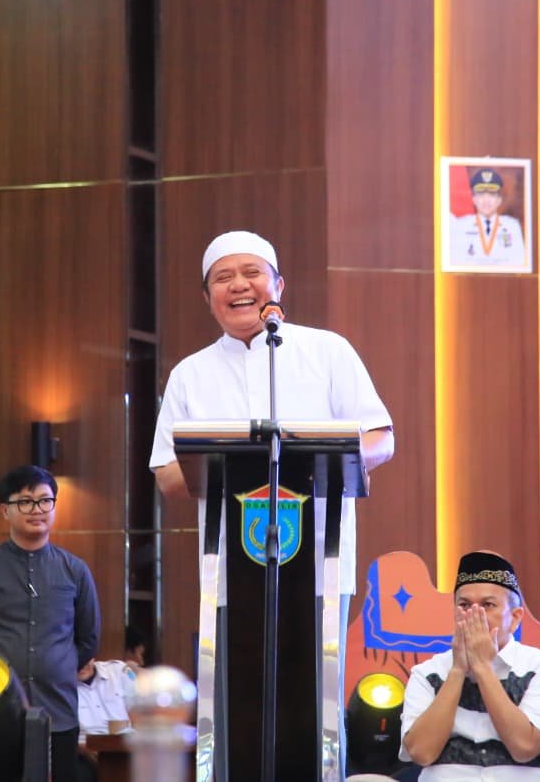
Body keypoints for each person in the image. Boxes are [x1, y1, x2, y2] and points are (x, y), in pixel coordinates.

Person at [148, 230, 394, 773]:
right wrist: (229, 457)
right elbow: (167, 474)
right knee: (234, 712)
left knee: (315, 711)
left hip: (320, 566)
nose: (239, 285)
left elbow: (380, 438)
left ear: (278, 285)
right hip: (230, 574)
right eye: (223, 278)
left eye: (251, 273)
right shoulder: (190, 373)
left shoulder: (328, 351)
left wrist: (330, 454)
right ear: (208, 297)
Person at [0, 464, 101, 782]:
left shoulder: (74, 570)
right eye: (25, 502)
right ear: (5, 510)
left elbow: (88, 639)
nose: (37, 510)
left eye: (45, 501)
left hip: (58, 712)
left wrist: (59, 665)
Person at [399, 551, 540, 779]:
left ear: (515, 618)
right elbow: (421, 753)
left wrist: (482, 667)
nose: (475, 614)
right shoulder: (428, 672)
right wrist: (457, 671)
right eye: (464, 605)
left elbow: (525, 747)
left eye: (488, 605)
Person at [449, 168, 527, 269]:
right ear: (474, 199)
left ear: (499, 200)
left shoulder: (512, 226)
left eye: (492, 195)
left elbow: (519, 262)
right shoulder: (461, 226)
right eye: (481, 195)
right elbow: (455, 263)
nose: (486, 200)